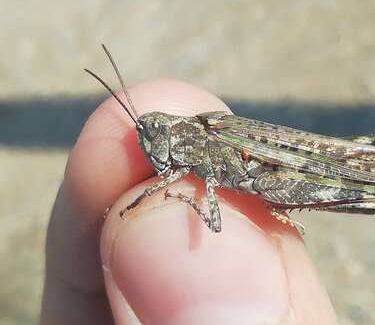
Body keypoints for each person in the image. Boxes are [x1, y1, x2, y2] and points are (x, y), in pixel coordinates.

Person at [40, 79, 336, 324]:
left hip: (296, 169)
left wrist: (175, 199)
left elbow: (214, 225)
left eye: (156, 134)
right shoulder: (198, 152)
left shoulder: (210, 141)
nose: (149, 144)